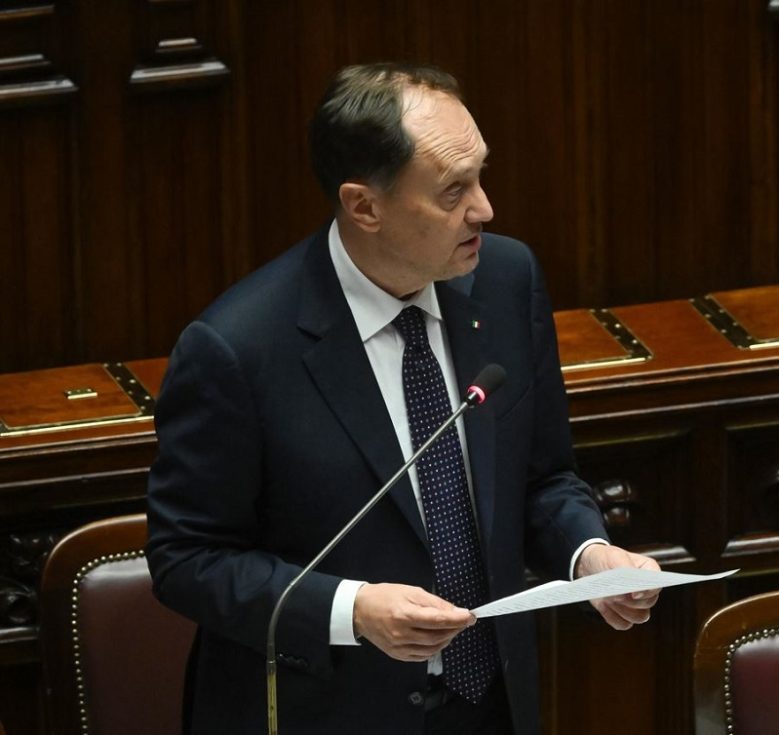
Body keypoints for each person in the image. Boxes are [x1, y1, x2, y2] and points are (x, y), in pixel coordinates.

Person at [145, 62, 660, 735]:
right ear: (365, 206)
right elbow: (187, 559)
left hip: (490, 707)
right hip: (332, 713)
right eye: (453, 191)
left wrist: (588, 554)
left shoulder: (507, 280)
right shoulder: (237, 349)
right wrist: (352, 609)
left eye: (480, 175)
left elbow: (542, 478)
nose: (484, 208)